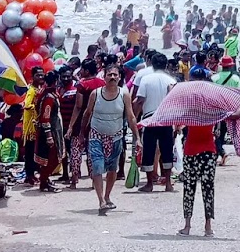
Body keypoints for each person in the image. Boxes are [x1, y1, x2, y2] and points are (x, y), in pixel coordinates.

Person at [84, 64, 134, 213]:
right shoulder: (95, 94)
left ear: (119, 77)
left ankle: (107, 196)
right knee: (97, 167)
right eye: (109, 75)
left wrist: (137, 137)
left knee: (113, 169)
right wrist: (81, 134)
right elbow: (87, 114)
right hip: (96, 136)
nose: (112, 77)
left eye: (115, 75)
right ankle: (101, 201)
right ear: (104, 77)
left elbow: (131, 116)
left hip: (116, 137)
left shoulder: (124, 94)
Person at [134, 53, 177, 192]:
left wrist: (134, 118)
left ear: (152, 64)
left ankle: (149, 183)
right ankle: (168, 183)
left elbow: (140, 100)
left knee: (149, 150)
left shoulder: (146, 80)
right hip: (166, 118)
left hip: (150, 119)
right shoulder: (171, 80)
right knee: (167, 150)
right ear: (165, 65)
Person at [178, 119, 218, 237]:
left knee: (189, 189)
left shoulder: (190, 110)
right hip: (206, 151)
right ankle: (207, 225)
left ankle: (188, 225)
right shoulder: (212, 110)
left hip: (192, 151)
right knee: (208, 189)